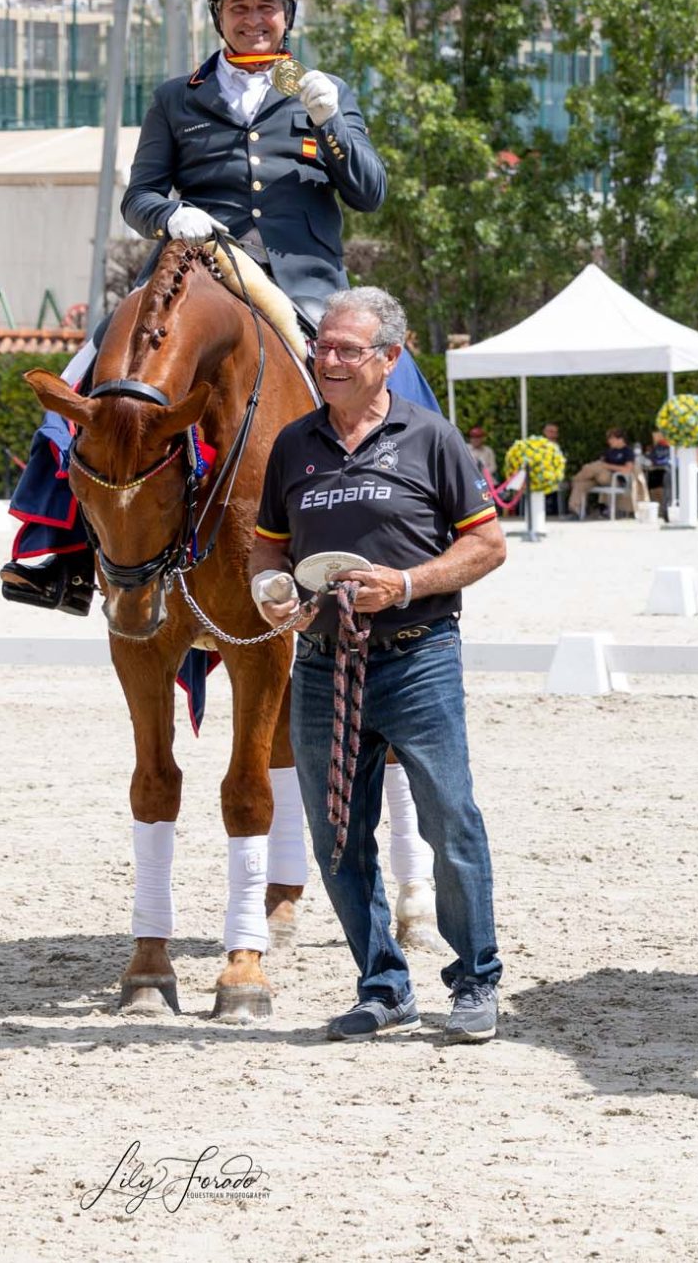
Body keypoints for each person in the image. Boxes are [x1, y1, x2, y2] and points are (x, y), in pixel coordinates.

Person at [5, 0, 435, 614]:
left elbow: (369, 193)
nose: (254, 19)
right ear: (219, 16)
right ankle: (61, 556)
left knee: (392, 375)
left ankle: (419, 533)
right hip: (198, 274)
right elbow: (138, 196)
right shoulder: (178, 98)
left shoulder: (325, 92)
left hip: (303, 282)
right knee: (96, 370)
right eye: (240, 7)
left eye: (267, 7)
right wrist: (175, 216)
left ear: (287, 17)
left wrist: (331, 124)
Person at [249, 287, 508, 1042]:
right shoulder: (293, 445)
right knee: (336, 835)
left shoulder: (432, 438)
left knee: (450, 820)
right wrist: (269, 588)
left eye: (344, 349)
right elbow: (270, 543)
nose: (325, 359)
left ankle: (475, 982)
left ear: (388, 358)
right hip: (321, 662)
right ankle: (384, 984)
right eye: (321, 345)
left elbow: (486, 545)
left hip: (418, 655)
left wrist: (404, 584)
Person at [567, 427, 647, 518]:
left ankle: (573, 479)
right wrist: (601, 465)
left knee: (594, 466)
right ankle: (575, 510)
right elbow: (601, 464)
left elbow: (627, 469)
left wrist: (606, 466)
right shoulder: (609, 451)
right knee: (581, 484)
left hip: (615, 479)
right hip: (599, 477)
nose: (609, 441)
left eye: (611, 439)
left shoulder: (627, 452)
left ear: (620, 439)